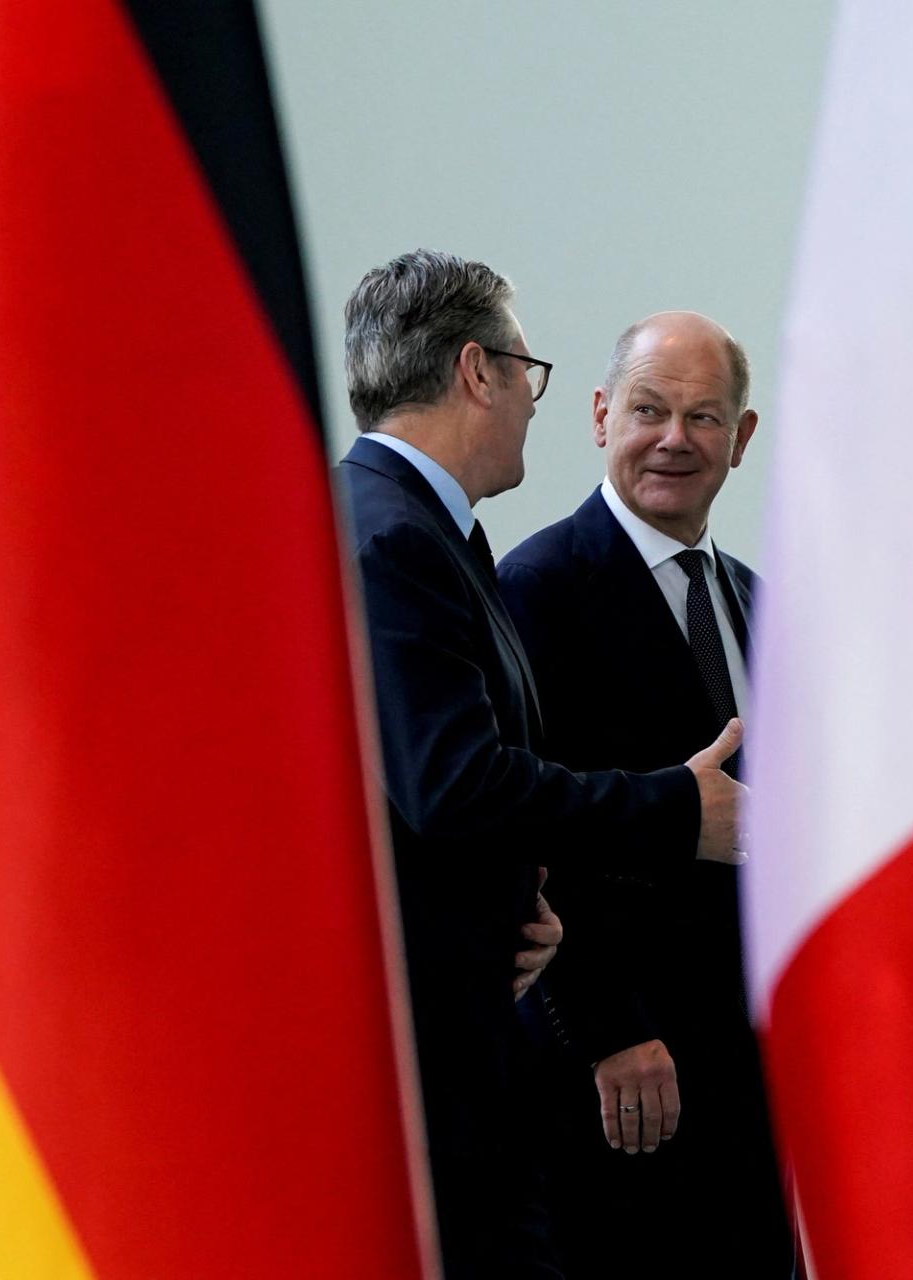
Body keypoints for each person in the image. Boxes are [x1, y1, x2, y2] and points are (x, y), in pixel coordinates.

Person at [334, 255, 748, 1280]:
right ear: (480, 371)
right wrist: (671, 810)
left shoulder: (433, 533)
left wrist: (515, 897)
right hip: (503, 1061)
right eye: (530, 373)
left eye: (705, 417)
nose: (530, 400)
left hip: (693, 1050)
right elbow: (458, 782)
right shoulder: (417, 543)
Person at [498, 312, 794, 1277]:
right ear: (598, 417)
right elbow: (523, 827)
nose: (675, 439)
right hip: (623, 1074)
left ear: (741, 439)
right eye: (649, 410)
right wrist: (608, 1027)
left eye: (704, 416)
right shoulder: (535, 588)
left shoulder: (758, 598)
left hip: (754, 1074)